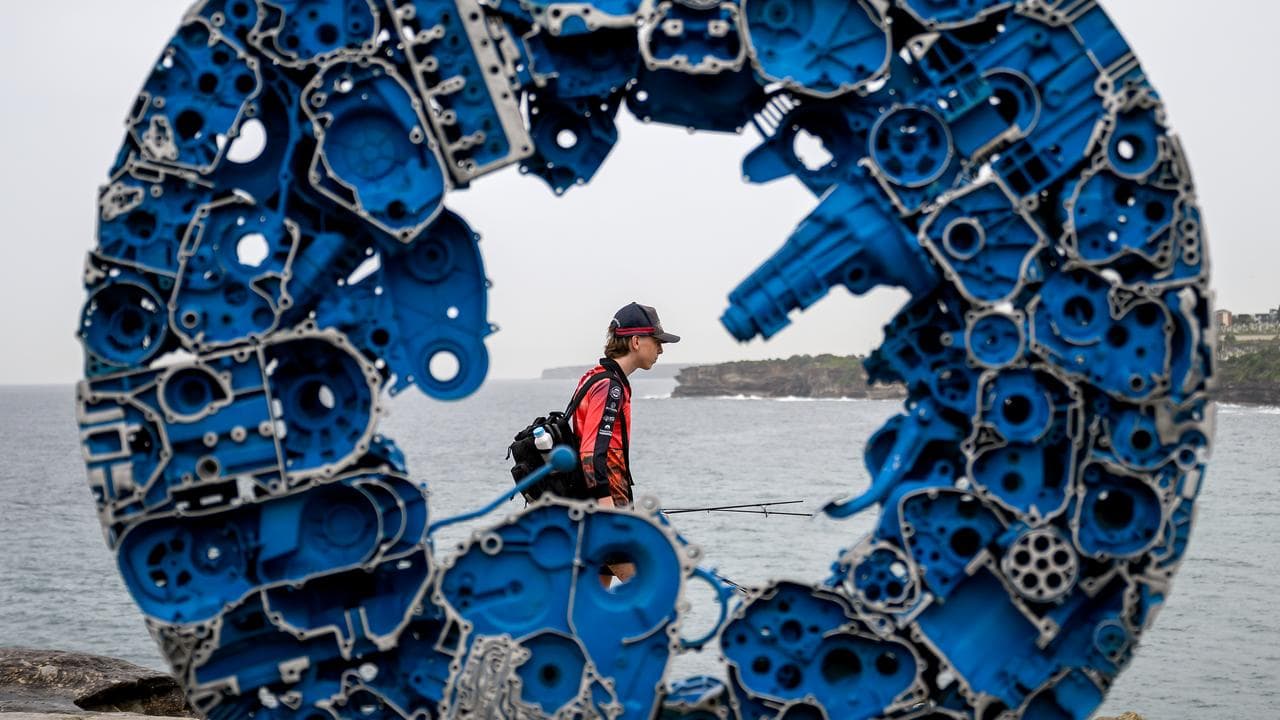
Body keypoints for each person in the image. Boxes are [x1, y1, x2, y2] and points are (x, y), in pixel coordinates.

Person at [572, 302, 679, 585]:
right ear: (635, 341)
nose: (661, 350)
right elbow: (591, 451)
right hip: (606, 502)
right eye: (657, 342)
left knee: (594, 592)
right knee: (645, 590)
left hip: (593, 500)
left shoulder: (593, 377)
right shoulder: (611, 386)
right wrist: (607, 508)